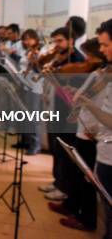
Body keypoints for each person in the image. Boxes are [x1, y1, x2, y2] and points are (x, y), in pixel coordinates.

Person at [50, 37, 107, 232]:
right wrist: (75, 92)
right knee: (77, 173)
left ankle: (86, 218)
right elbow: (87, 96)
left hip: (92, 131)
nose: (87, 59)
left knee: (87, 181)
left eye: (92, 54)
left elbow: (98, 103)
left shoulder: (104, 75)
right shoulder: (98, 73)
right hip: (83, 128)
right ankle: (73, 206)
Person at [38, 27, 85, 202]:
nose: (56, 45)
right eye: (54, 41)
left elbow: (72, 87)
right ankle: (57, 181)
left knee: (64, 149)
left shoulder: (78, 59)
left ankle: (64, 187)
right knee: (55, 147)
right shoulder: (59, 58)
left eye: (60, 41)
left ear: (71, 41)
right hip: (53, 106)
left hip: (66, 110)